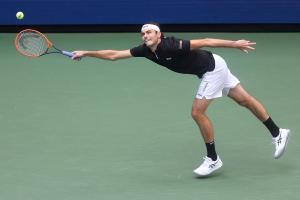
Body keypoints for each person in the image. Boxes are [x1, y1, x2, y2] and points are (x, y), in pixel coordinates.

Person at [72, 23, 290, 177]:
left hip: (212, 69)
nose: (145, 35)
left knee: (197, 112)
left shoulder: (171, 45)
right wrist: (86, 52)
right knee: (244, 100)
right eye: (143, 33)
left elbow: (205, 41)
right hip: (214, 65)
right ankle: (277, 132)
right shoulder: (145, 51)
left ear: (159, 35)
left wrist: (234, 43)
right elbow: (113, 55)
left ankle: (213, 159)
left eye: (149, 32)